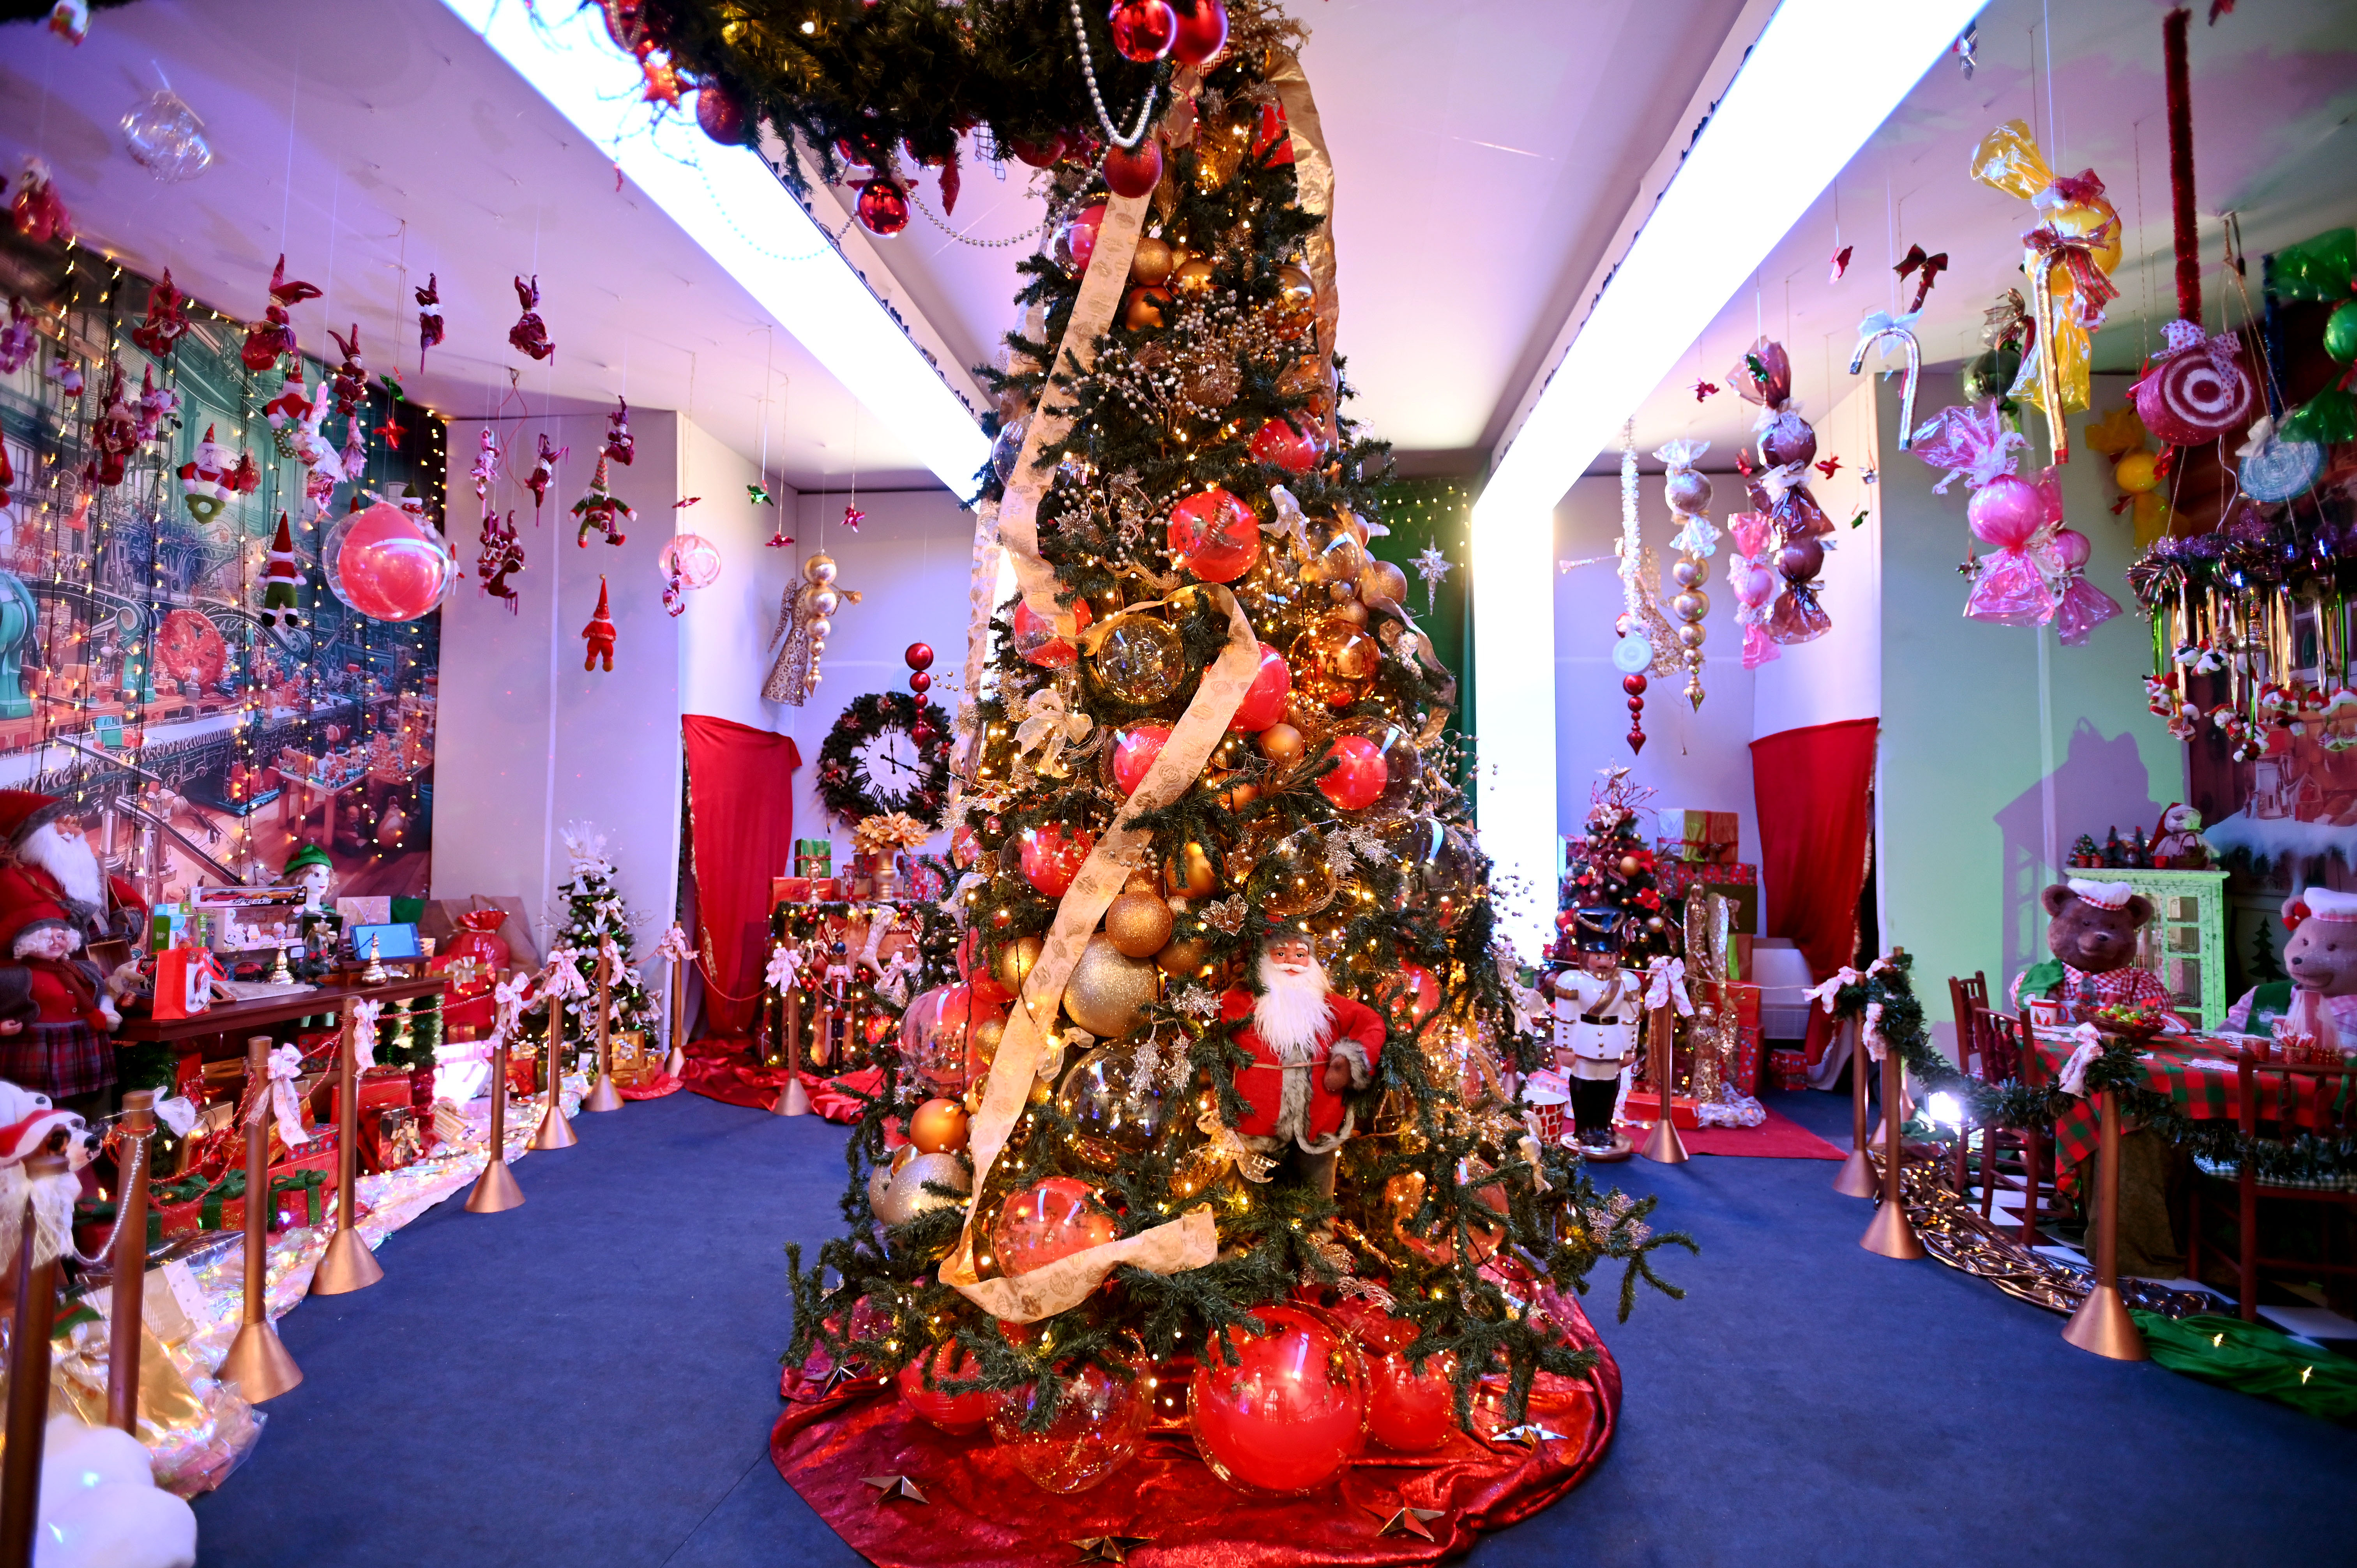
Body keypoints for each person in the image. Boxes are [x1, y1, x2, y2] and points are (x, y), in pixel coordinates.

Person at [1217, 932, 1386, 1198]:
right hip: (1254, 1122)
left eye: (1300, 955)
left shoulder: (1328, 1006)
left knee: (1319, 1185)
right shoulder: (1241, 1004)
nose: (1291, 963)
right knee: (1248, 1195)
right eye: (1281, 955)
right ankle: (1245, 1234)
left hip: (1318, 1120)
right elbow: (1204, 1023)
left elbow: (1371, 1023)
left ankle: (1320, 1232)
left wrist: (1349, 1060)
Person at [1550, 907, 1641, 1159]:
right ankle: (1584, 1129)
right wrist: (1564, 1047)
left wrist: (1630, 1048)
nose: (1605, 962)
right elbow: (1565, 1017)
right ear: (1584, 955)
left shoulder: (1627, 983)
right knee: (1584, 1086)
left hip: (1612, 1042)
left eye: (1610, 955)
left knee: (1609, 1087)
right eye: (1598, 955)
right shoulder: (1572, 981)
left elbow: (1630, 1019)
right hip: (1585, 1042)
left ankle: (1604, 1127)